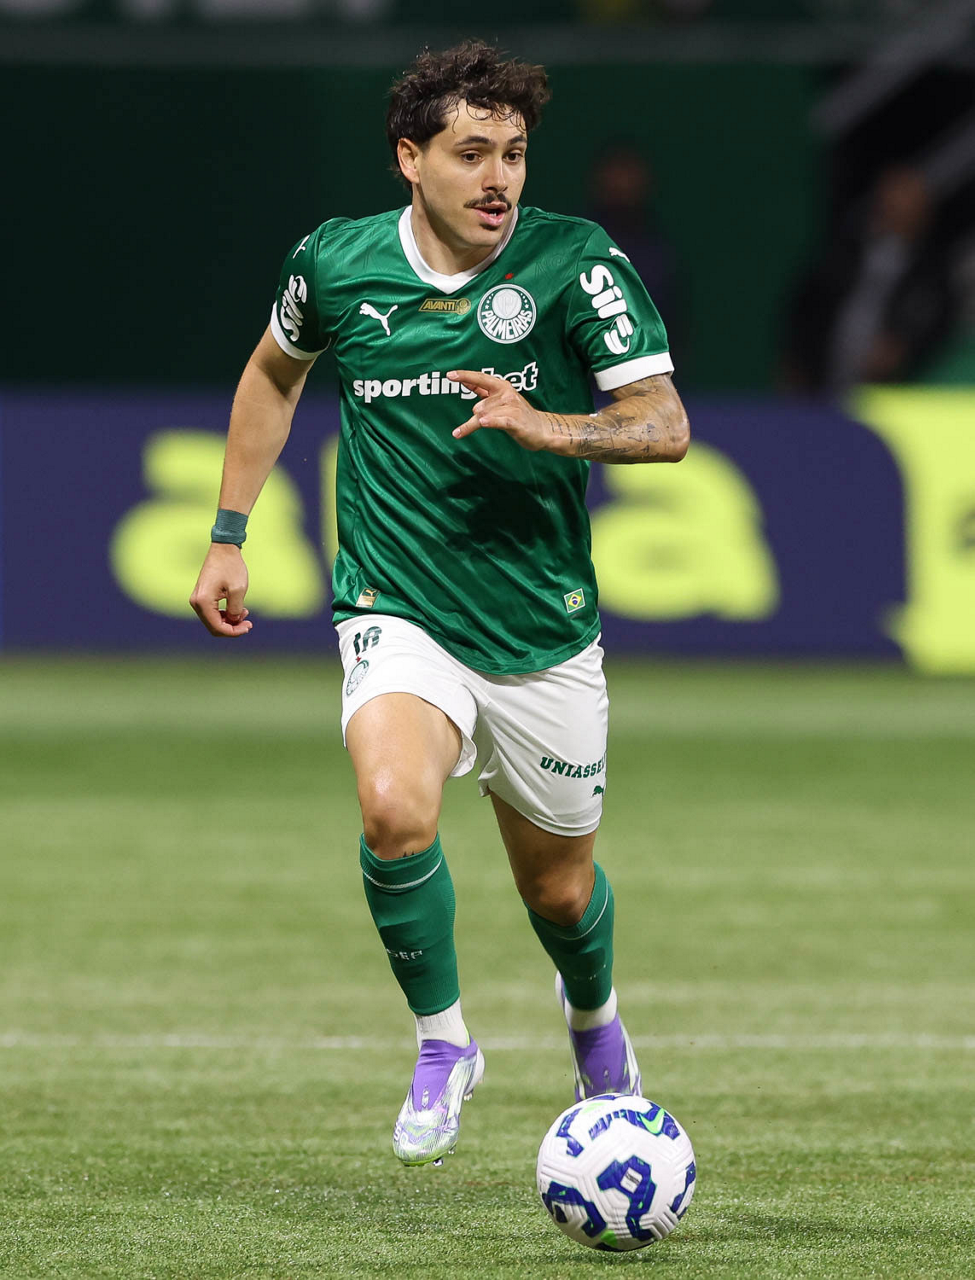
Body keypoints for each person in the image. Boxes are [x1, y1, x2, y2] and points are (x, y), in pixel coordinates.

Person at [190, 39, 690, 1168]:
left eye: (513, 152)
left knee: (559, 891)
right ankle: (443, 1040)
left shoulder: (575, 261)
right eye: (471, 153)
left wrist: (547, 425)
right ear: (410, 158)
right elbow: (273, 371)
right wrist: (228, 532)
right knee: (392, 808)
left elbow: (664, 424)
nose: (498, 177)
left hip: (539, 623)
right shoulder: (337, 264)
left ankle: (594, 1018)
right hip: (396, 600)